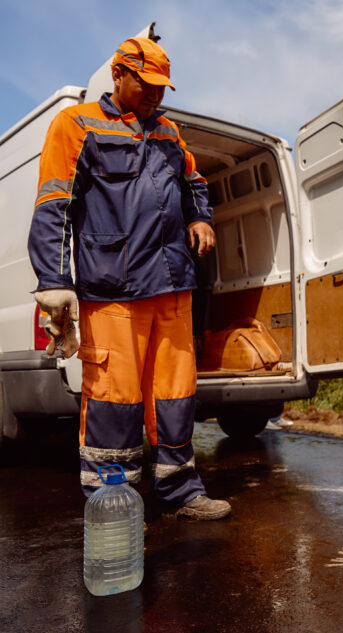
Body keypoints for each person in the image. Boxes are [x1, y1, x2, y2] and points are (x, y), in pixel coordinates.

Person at [28, 36, 231, 520]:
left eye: (163, 88)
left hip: (173, 286)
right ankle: (112, 505)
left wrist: (200, 217)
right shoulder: (75, 124)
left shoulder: (168, 132)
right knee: (113, 402)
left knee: (175, 396)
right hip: (112, 289)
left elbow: (193, 183)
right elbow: (54, 205)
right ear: (118, 75)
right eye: (146, 85)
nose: (156, 96)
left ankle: (181, 490)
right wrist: (55, 282)